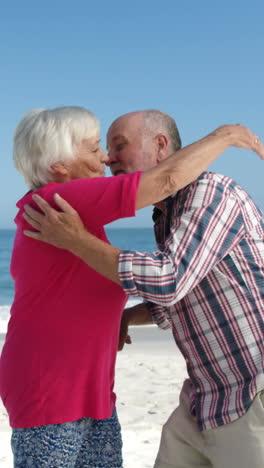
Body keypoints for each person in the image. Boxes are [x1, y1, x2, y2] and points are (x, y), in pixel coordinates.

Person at [1, 108, 260, 468]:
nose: (106, 158)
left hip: (96, 393)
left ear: (160, 144)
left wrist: (123, 315)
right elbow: (166, 182)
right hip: (53, 390)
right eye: (95, 149)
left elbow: (174, 286)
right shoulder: (59, 203)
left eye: (116, 146)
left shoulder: (84, 222)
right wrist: (224, 137)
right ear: (59, 163)